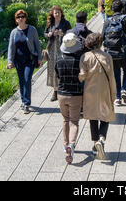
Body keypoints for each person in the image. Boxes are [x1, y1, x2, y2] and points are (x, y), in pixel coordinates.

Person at [79, 33, 116, 160]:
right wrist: (113, 94)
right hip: (104, 91)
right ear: (100, 43)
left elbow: (82, 76)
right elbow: (111, 77)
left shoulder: (85, 57)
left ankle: (95, 145)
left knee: (92, 117)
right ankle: (101, 138)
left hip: (90, 92)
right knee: (105, 117)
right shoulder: (107, 56)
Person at [55, 32, 86, 164]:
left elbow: (57, 75)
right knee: (74, 121)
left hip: (61, 94)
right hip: (76, 94)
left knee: (65, 120)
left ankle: (65, 143)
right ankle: (71, 144)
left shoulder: (59, 58)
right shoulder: (79, 59)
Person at [102, 0, 126, 106]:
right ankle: (124, 90)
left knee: (116, 73)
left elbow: (102, 36)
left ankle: (117, 98)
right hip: (125, 51)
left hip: (111, 52)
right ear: (122, 9)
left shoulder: (107, 21)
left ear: (112, 9)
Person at [7, 9, 42, 114]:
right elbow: (11, 48)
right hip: (18, 61)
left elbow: (37, 45)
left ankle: (27, 103)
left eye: (22, 16)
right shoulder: (14, 32)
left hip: (29, 60)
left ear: (25, 18)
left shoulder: (32, 29)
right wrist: (10, 61)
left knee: (27, 79)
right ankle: (23, 100)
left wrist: (39, 57)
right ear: (16, 20)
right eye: (18, 17)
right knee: (21, 81)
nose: (21, 19)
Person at [44, 6, 71, 102]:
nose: (57, 14)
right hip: (52, 48)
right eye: (55, 13)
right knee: (52, 69)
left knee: (61, 69)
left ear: (61, 13)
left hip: (62, 48)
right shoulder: (50, 23)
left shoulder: (66, 23)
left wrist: (62, 34)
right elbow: (45, 33)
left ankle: (62, 89)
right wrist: (49, 34)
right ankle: (55, 91)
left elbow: (70, 34)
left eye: (58, 12)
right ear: (53, 14)